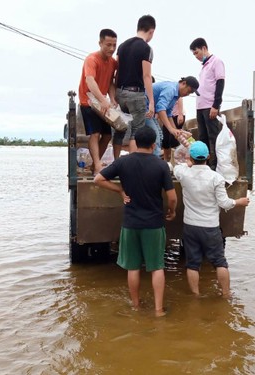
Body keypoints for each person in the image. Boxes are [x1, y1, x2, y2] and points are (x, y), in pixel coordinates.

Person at [94, 126, 177, 317]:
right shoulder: (161, 165)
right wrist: (172, 211)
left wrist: (120, 191)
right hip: (154, 224)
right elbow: (171, 197)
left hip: (131, 223)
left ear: (135, 143)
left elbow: (98, 180)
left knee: (133, 267)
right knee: (157, 267)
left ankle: (136, 306)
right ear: (154, 145)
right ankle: (158, 310)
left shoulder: (123, 162)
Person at [173, 141, 249, 298]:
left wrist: (187, 163)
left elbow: (176, 166)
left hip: (191, 226)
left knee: (192, 264)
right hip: (210, 227)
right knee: (220, 262)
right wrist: (239, 202)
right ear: (208, 156)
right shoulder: (216, 178)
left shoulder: (183, 173)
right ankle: (226, 295)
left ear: (191, 158)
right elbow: (224, 203)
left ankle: (196, 295)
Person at [114, 15, 156, 156]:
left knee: (120, 129)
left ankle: (117, 162)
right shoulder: (146, 48)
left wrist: (115, 95)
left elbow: (117, 71)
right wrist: (151, 101)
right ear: (151, 31)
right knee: (136, 131)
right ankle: (133, 164)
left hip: (120, 92)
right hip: (136, 94)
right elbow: (146, 76)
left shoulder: (122, 46)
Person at [78, 29, 118, 174]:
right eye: (108, 45)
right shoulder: (92, 59)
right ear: (100, 43)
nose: (112, 49)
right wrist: (102, 99)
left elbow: (111, 83)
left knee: (107, 135)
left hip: (102, 102)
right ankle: (97, 166)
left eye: (114, 45)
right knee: (95, 134)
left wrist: (112, 98)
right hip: (88, 101)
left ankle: (95, 164)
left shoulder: (113, 62)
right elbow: (90, 81)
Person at [189, 37, 225, 170]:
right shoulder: (204, 66)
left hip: (210, 106)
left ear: (204, 48)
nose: (196, 56)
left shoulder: (217, 62)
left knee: (213, 137)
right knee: (203, 137)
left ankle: (214, 167)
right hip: (200, 107)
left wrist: (216, 105)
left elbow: (220, 84)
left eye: (196, 52)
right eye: (194, 54)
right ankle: (203, 166)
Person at [145, 76, 200, 158]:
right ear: (183, 83)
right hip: (142, 106)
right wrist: (171, 129)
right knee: (155, 135)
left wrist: (175, 131)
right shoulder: (171, 89)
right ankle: (155, 164)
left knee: (160, 135)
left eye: (190, 93)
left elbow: (168, 113)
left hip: (149, 110)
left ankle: (153, 160)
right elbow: (161, 108)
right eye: (188, 91)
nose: (187, 95)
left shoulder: (176, 95)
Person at [162, 97, 185, 162]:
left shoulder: (173, 89)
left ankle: (176, 160)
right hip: (166, 117)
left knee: (174, 139)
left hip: (177, 115)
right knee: (165, 140)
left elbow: (180, 99)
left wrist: (180, 114)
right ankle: (166, 160)